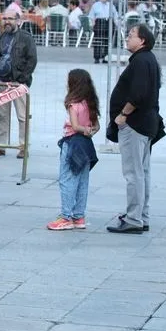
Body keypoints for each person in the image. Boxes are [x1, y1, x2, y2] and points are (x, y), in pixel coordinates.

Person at [106, 24, 162, 234]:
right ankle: (141, 215)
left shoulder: (141, 61)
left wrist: (123, 115)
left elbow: (138, 94)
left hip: (135, 125)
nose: (127, 38)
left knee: (133, 173)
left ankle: (133, 218)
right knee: (142, 172)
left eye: (131, 36)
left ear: (143, 41)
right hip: (145, 124)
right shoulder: (148, 60)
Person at [47, 69, 100, 231]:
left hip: (72, 143)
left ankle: (65, 216)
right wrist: (89, 131)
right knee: (82, 181)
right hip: (86, 145)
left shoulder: (73, 104)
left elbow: (75, 126)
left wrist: (83, 129)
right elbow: (96, 126)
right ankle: (79, 216)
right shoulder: (90, 103)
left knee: (67, 180)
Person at [0, 10, 37, 159]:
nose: (6, 21)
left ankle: (23, 147)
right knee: (2, 115)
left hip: (18, 83)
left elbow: (32, 60)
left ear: (18, 21)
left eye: (10, 18)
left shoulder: (26, 38)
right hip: (2, 82)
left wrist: (22, 79)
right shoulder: (0, 38)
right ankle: (1, 146)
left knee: (22, 116)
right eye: (4, 18)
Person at [88, 0, 118, 64]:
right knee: (98, 41)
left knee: (107, 41)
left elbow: (115, 15)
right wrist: (92, 24)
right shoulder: (95, 5)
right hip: (99, 22)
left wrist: (117, 24)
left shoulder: (111, 5)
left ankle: (106, 57)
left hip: (109, 23)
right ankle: (97, 58)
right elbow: (91, 16)